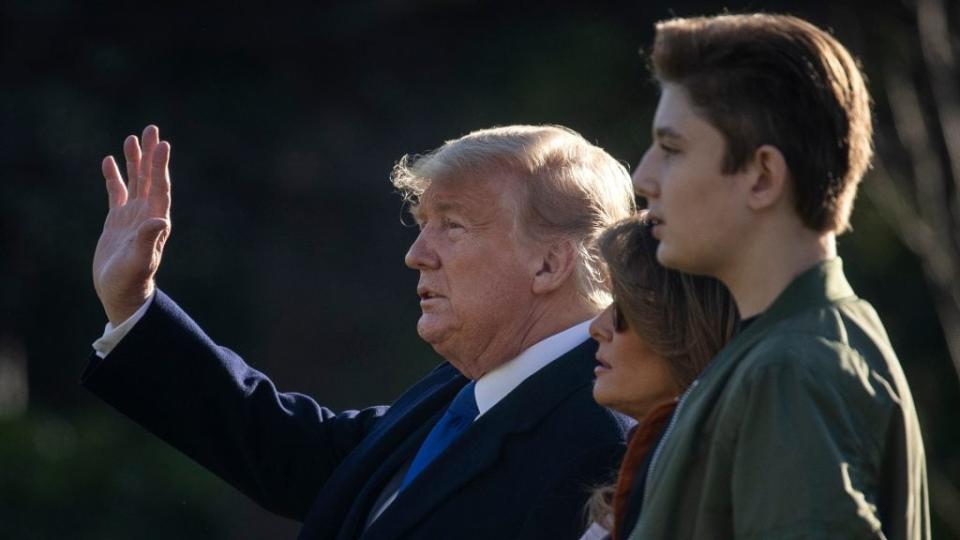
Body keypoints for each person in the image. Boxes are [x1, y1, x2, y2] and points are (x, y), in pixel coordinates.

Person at [83, 124, 636, 539]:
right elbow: (301, 456)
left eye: (453, 226)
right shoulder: (466, 387)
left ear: (550, 264)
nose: (416, 255)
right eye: (423, 226)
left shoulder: (604, 442)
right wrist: (134, 305)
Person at [627, 13, 930, 539]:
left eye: (672, 149)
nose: (643, 177)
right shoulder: (805, 343)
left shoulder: (791, 369)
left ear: (762, 176)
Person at [578, 214, 738, 540]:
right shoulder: (654, 471)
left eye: (629, 307)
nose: (597, 328)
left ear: (688, 326)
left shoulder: (722, 491)